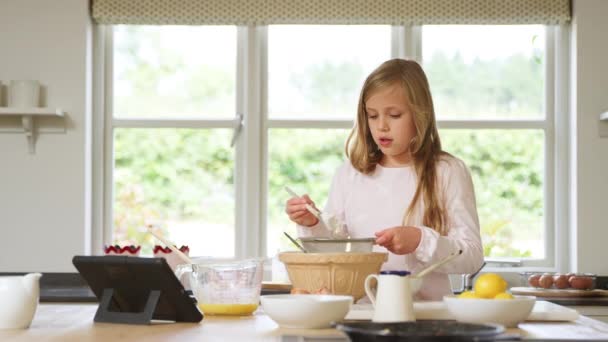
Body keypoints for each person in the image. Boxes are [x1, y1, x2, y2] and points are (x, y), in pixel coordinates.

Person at [285, 58, 484, 301]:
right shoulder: (349, 174)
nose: (382, 127)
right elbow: (334, 248)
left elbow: (472, 257)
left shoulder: (448, 171)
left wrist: (420, 241)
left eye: (394, 115)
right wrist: (312, 223)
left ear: (420, 115)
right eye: (372, 115)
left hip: (427, 320)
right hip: (361, 314)